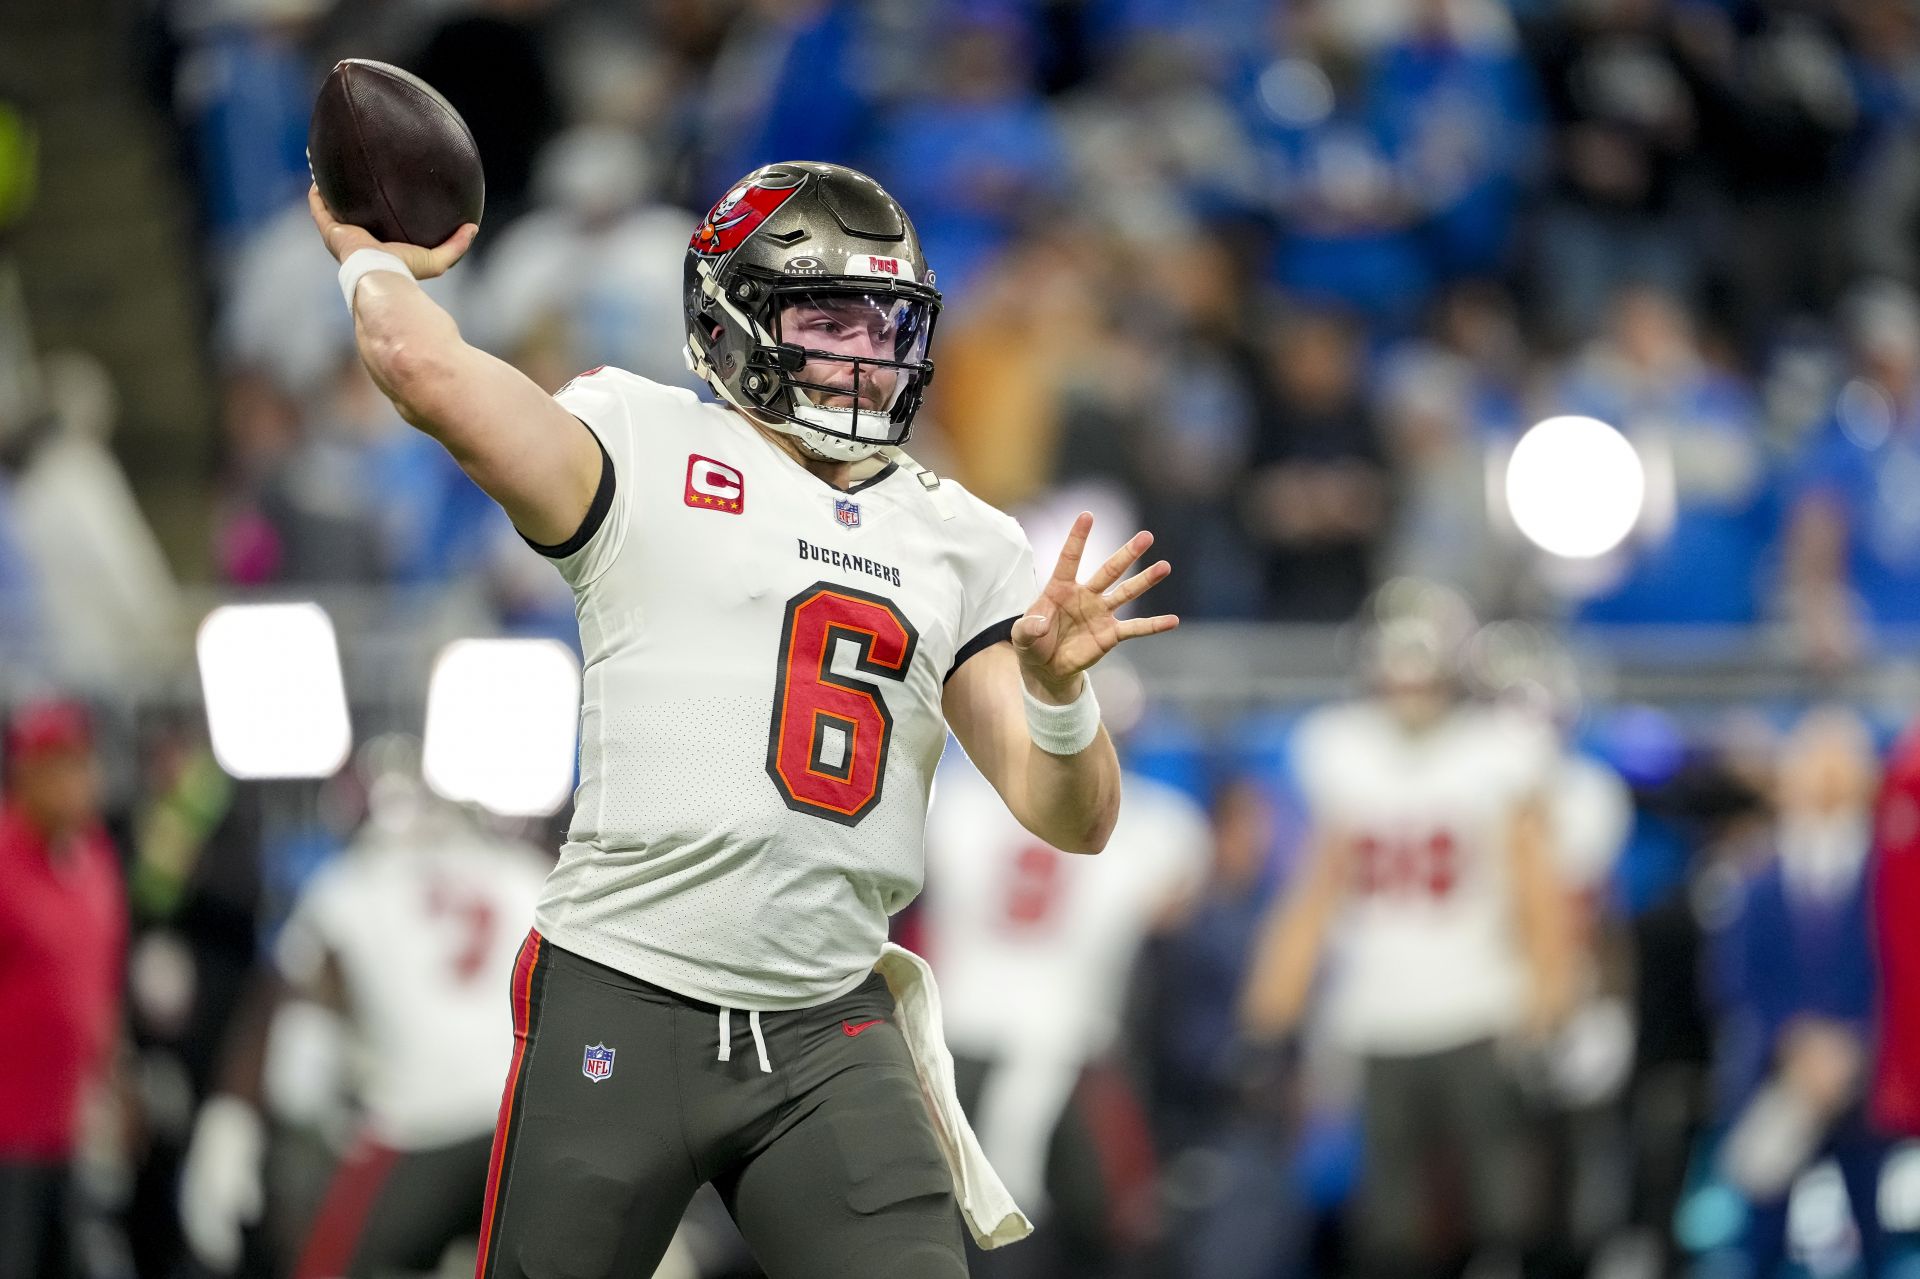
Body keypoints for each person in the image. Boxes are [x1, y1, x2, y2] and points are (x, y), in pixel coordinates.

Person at [308, 158, 1178, 1278]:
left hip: (827, 1022)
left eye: (884, 323)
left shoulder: (961, 536)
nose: (865, 352)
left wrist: (1059, 697)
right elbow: (419, 368)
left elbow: (1076, 818)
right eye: (830, 317)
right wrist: (374, 262)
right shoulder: (641, 437)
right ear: (729, 322)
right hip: (626, 987)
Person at [1239, 580, 1574, 1279]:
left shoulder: (1498, 751)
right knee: (1393, 1229)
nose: (1411, 681)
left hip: (1481, 1007)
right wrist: (1274, 1003)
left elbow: (1538, 891)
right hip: (1377, 1015)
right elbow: (1317, 886)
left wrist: (1550, 996)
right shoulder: (1341, 750)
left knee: (1505, 1218)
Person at [178, 742, 551, 1278]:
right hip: (529, 1118)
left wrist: (230, 1118)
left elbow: (284, 1002)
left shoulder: (351, 886)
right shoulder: (523, 874)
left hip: (420, 1125)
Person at [921, 689, 1210, 1277]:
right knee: (1095, 1237)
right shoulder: (1159, 825)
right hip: (1073, 1057)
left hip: (956, 1045)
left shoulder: (951, 798)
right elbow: (1177, 906)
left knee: (951, 1233)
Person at [1709, 708, 1886, 1277]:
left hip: (1867, 1087)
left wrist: (1852, 1045)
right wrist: (1798, 1046)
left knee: (1875, 1235)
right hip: (1775, 1079)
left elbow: (1894, 972)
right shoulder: (1755, 880)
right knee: (1760, 1237)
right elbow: (1735, 978)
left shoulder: (1890, 876)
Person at [0, 699, 127, 1279]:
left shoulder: (93, 857)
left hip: (72, 1128)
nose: (79, 781)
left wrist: (115, 1081)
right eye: (61, 765)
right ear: (27, 772)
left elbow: (97, 986)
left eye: (83, 763)